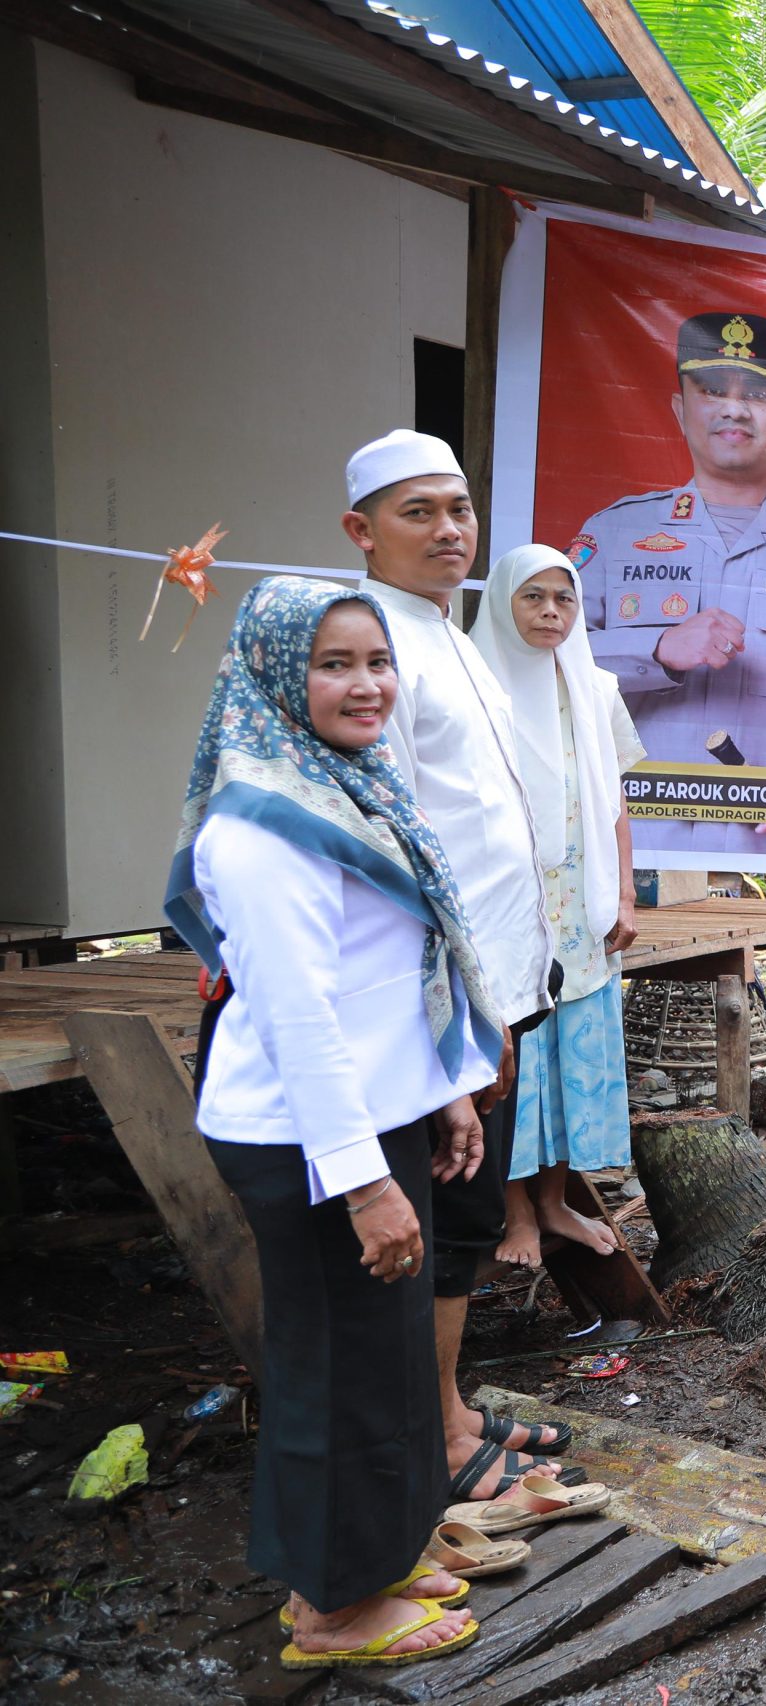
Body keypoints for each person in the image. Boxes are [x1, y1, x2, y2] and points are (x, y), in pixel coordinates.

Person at [170, 577, 498, 1670]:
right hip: (305, 1133)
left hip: (365, 1110)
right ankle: (329, 1610)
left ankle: (377, 1557)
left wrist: (440, 1086)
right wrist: (362, 1180)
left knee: (388, 1358)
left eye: (377, 661)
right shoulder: (262, 826)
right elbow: (301, 1020)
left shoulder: (343, 783)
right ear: (276, 675)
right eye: (333, 664)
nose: (366, 686)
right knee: (335, 1366)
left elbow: (382, 971)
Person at [342, 431, 568, 1514]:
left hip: (500, 981)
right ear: (361, 530)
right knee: (445, 1210)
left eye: (460, 509)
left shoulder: (454, 634)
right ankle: (432, 1435)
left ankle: (453, 1407)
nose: (448, 531)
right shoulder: (369, 647)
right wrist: (465, 1010)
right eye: (418, 511)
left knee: (471, 1213)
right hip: (440, 995)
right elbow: (396, 844)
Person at [572, 312, 766, 857]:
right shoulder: (614, 534)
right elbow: (548, 666)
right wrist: (654, 648)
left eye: (758, 395)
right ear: (680, 409)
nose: (735, 409)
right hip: (638, 849)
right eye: (713, 390)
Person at [468, 545, 647, 1268]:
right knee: (522, 1057)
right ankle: (514, 1214)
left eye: (563, 598)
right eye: (533, 597)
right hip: (511, 906)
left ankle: (552, 1202)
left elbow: (614, 800)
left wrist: (625, 892)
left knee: (571, 1052)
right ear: (503, 601)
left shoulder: (595, 688)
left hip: (582, 901)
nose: (550, 612)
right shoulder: (476, 684)